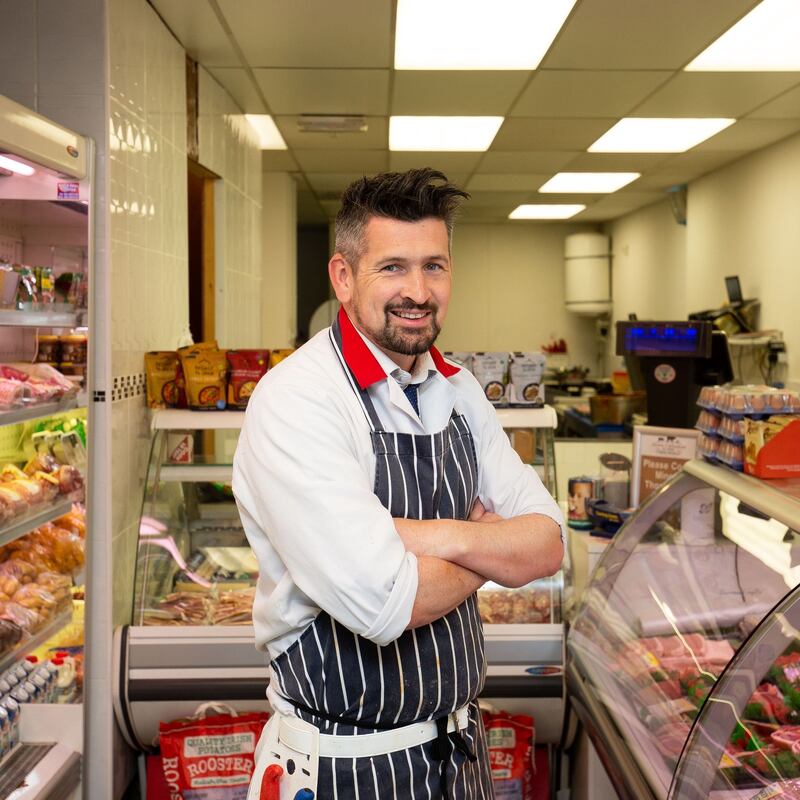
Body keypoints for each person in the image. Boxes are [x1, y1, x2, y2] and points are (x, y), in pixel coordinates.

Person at [233, 168, 565, 799]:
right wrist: (491, 546)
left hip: (460, 755)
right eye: (392, 268)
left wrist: (427, 537)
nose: (418, 291)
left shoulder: (460, 389)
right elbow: (388, 603)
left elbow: (548, 545)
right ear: (343, 277)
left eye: (434, 266)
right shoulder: (299, 398)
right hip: (342, 765)